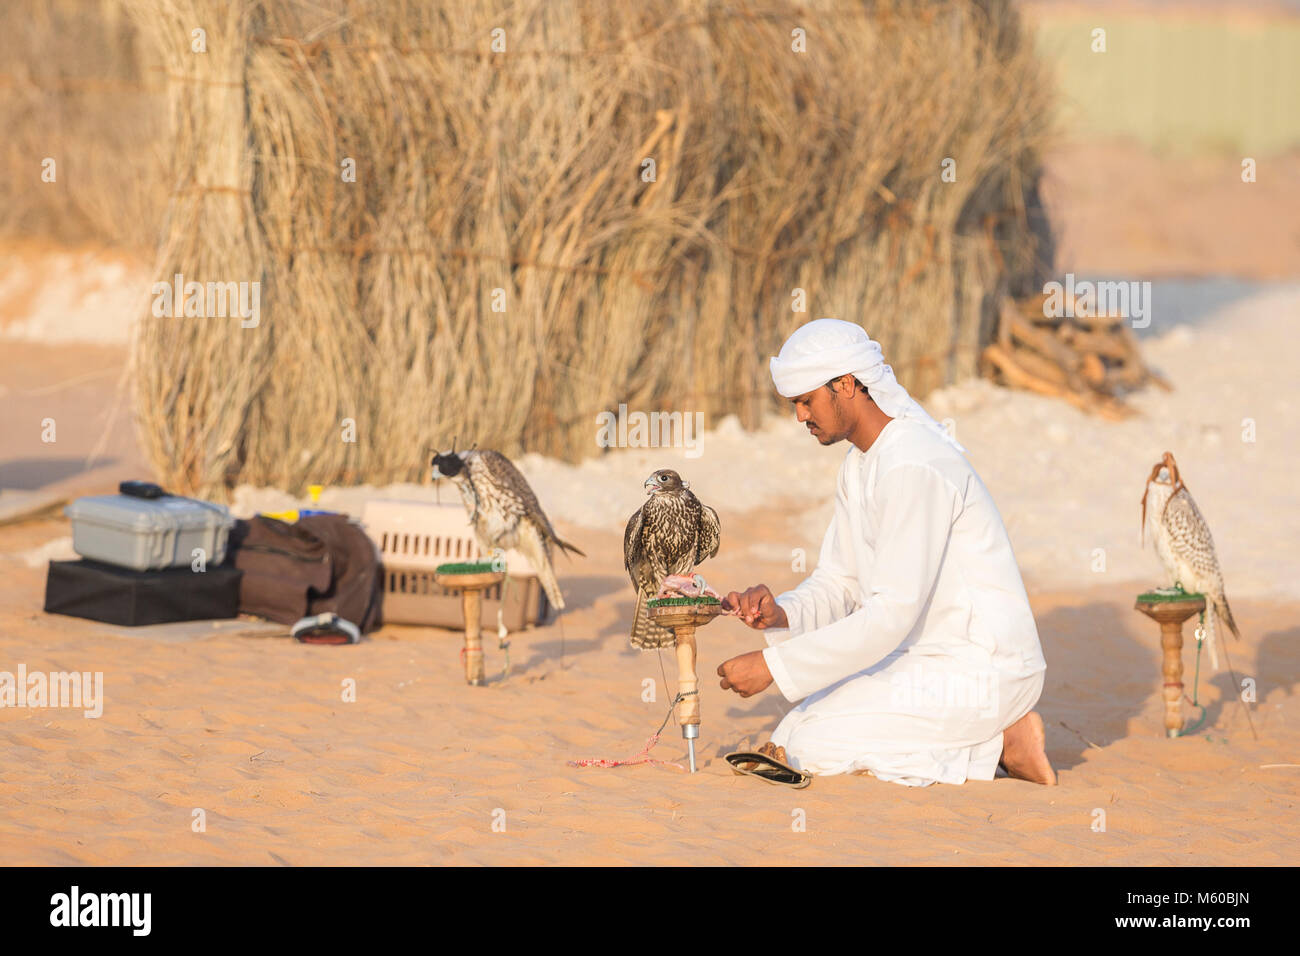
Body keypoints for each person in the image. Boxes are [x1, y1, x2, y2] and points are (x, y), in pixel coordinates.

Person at [717, 318, 1056, 786]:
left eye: (806, 401)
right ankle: (996, 741)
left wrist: (773, 666)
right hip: (922, 658)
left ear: (847, 384)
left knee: (810, 746)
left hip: (983, 667)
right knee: (794, 726)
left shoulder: (915, 463)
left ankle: (1002, 741)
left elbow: (891, 615)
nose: (799, 416)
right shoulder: (859, 466)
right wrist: (781, 615)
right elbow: (840, 583)